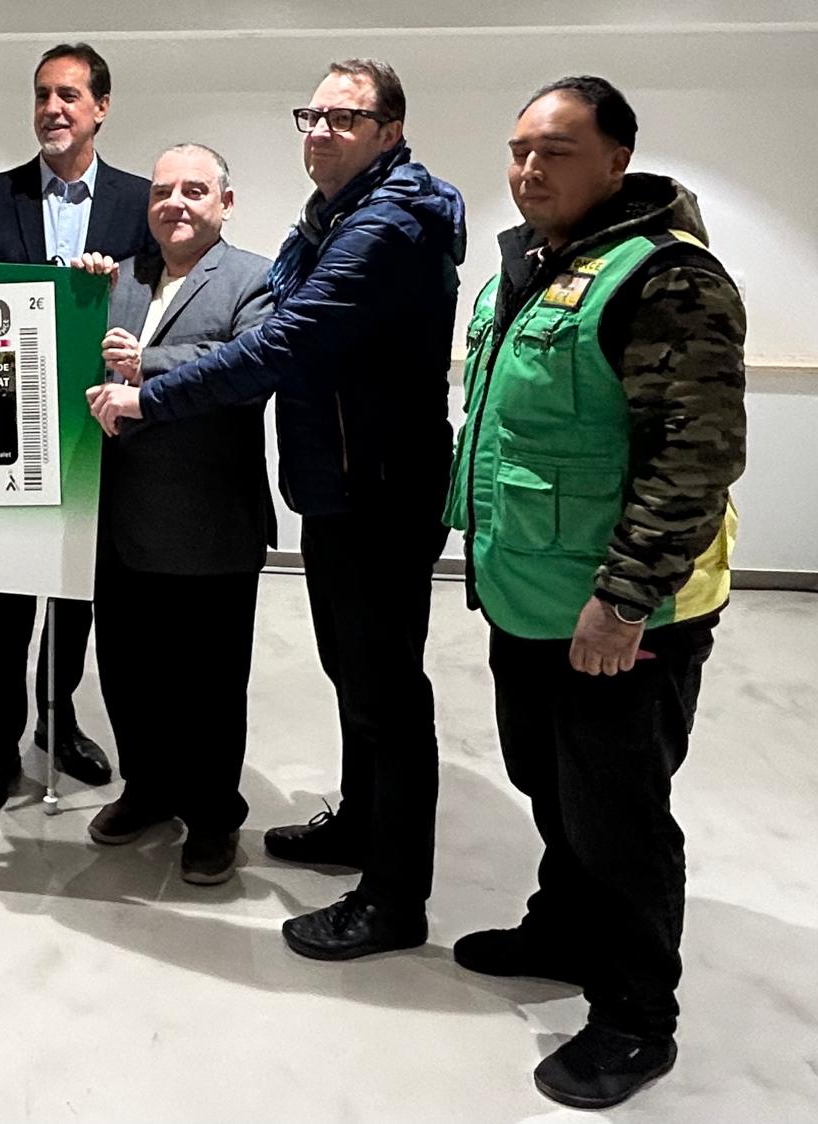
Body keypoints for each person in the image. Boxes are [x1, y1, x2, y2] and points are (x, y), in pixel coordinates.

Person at [87, 59, 464, 958]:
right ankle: (359, 829)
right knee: (358, 685)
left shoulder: (384, 224)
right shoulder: (328, 222)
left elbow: (282, 342)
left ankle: (394, 898)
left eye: (344, 117)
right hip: (337, 488)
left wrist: (152, 390)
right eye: (313, 115)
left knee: (386, 699)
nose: (321, 130)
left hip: (377, 486)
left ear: (389, 130)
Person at [444, 76, 745, 1109]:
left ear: (617, 160)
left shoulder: (665, 278)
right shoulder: (523, 270)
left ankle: (633, 1014)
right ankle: (562, 926)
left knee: (620, 814)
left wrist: (622, 599)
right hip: (526, 591)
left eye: (557, 150)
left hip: (622, 614)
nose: (530, 168)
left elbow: (692, 460)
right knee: (545, 774)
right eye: (520, 148)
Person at [0, 42, 157, 823]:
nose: (52, 109)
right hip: (6, 436)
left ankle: (59, 722)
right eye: (41, 96)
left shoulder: (138, 200)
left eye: (68, 95)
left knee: (75, 593)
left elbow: (160, 302)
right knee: (6, 600)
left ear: (101, 106)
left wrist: (115, 290)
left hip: (99, 434)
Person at [77, 143, 272, 884]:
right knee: (129, 671)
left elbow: (250, 367)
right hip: (119, 522)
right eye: (163, 191)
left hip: (209, 523)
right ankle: (149, 789)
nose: (176, 203)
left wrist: (146, 367)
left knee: (210, 685)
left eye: (195, 190)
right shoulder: (119, 278)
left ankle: (214, 814)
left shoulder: (254, 276)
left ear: (225, 202)